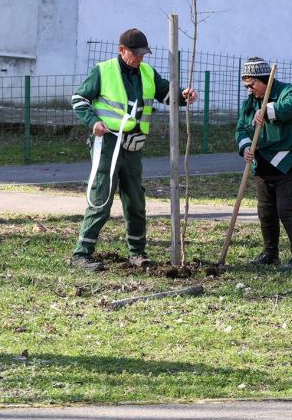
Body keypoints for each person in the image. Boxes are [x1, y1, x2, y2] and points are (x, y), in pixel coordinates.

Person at [70, 28, 198, 270]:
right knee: (101, 199)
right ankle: (81, 255)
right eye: (136, 54)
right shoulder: (103, 71)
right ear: (121, 50)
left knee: (136, 202)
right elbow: (78, 99)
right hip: (108, 143)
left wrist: (183, 95)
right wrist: (93, 122)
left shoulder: (147, 72)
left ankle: (137, 254)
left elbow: (166, 94)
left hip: (134, 147)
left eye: (143, 54)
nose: (140, 58)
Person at [236, 57, 292, 272]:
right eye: (246, 87)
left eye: (252, 85)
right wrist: (245, 147)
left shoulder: (291, 92)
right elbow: (241, 129)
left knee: (286, 210)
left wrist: (268, 110)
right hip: (264, 166)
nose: (250, 90)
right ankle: (270, 254)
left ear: (264, 80)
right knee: (266, 211)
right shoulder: (249, 103)